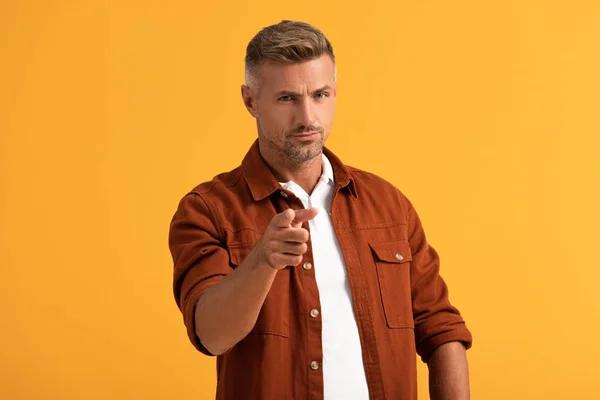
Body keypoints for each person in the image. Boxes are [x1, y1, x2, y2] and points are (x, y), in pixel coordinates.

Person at [169, 20, 473, 400]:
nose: (307, 118)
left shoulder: (388, 205)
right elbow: (211, 335)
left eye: (320, 95)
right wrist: (262, 261)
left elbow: (441, 329)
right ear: (250, 100)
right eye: (286, 98)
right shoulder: (208, 210)